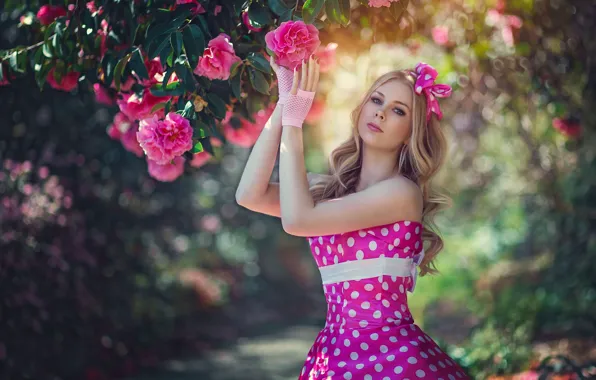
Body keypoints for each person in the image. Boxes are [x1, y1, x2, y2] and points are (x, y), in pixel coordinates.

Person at [236, 55, 469, 379]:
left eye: (399, 110)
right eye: (376, 99)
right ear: (362, 108)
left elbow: (297, 220)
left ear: (409, 133)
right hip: (333, 354)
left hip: (393, 358)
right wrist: (283, 105)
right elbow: (249, 194)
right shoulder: (326, 189)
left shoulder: (401, 194)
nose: (381, 112)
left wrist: (294, 122)